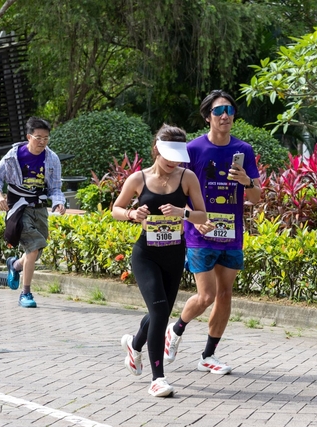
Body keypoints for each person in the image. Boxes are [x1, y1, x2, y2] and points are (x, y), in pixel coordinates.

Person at [163, 90, 261, 375]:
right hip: (200, 232)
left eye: (229, 110)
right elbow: (177, 192)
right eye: (218, 111)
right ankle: (176, 330)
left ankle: (208, 355)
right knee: (206, 295)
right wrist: (193, 220)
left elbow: (256, 197)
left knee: (225, 294)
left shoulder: (244, 150)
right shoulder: (193, 149)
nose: (225, 116)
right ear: (208, 116)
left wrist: (246, 181)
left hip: (231, 233)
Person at [113, 124, 207, 397]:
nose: (173, 162)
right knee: (159, 311)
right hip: (146, 254)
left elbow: (202, 215)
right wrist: (132, 214)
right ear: (156, 149)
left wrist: (182, 212)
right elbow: (116, 209)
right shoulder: (138, 178)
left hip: (174, 253)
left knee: (161, 312)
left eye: (178, 157)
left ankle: (135, 344)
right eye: (169, 156)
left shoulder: (187, 177)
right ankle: (158, 379)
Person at [0, 116, 66, 308]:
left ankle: (14, 265)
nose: (42, 142)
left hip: (39, 209)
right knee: (33, 248)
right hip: (18, 208)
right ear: (29, 137)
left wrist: (59, 203)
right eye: (38, 138)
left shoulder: (52, 158)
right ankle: (26, 294)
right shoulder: (13, 156)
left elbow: (56, 187)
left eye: (46, 138)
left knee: (36, 251)